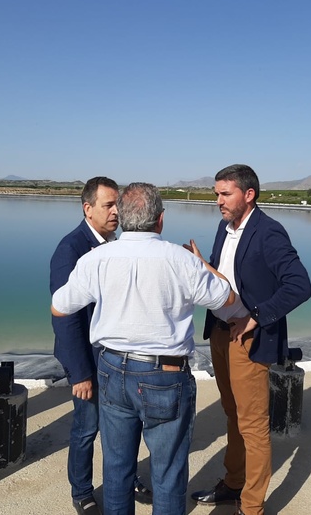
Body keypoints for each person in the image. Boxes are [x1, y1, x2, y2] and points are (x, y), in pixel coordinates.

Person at [52, 182, 234, 515]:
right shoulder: (180, 260)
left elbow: (59, 306)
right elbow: (227, 300)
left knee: (117, 468)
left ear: (121, 217)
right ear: (160, 220)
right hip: (164, 373)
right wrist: (202, 263)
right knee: (167, 473)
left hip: (111, 369)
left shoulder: (97, 259)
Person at [190, 164, 311, 515]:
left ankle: (252, 506)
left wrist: (256, 316)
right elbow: (225, 279)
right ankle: (233, 483)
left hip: (249, 340)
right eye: (216, 194)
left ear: (249, 194)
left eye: (224, 194)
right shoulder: (223, 227)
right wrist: (201, 267)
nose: (218, 201)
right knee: (232, 413)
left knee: (253, 425)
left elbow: (300, 285)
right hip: (219, 332)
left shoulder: (269, 233)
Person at [50, 177, 151, 515]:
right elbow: (65, 317)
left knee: (124, 427)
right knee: (86, 429)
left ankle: (127, 478)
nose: (115, 212)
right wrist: (79, 372)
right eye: (108, 205)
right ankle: (81, 491)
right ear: (87, 208)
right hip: (89, 363)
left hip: (118, 361)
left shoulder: (118, 245)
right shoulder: (71, 249)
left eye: (117, 205)